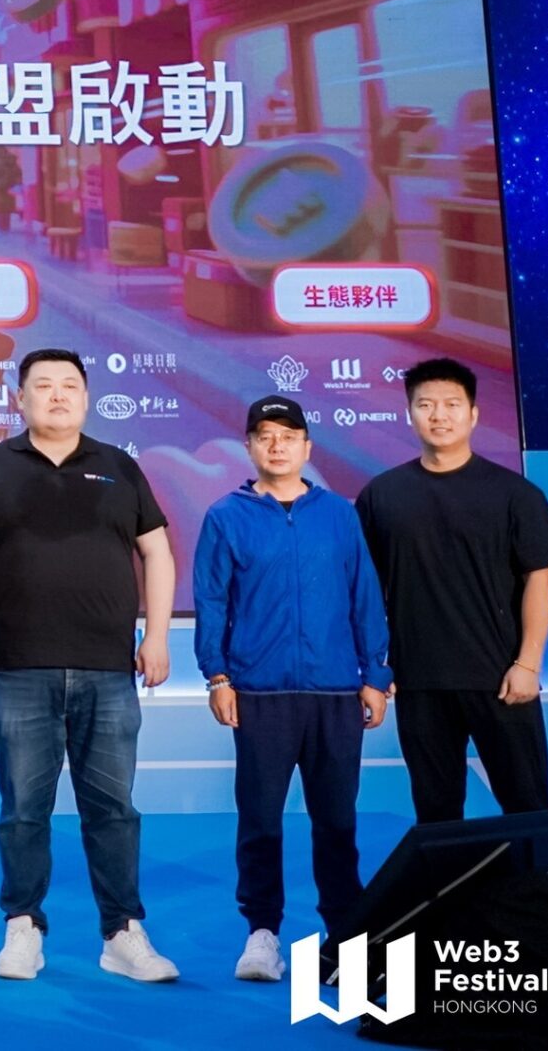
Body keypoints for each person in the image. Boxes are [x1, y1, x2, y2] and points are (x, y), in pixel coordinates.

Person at [0, 348, 180, 984]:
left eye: (69, 386)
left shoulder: (118, 465)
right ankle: (22, 926)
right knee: (22, 811)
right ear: (20, 398)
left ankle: (122, 932)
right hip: (17, 666)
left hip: (108, 668)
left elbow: (157, 553)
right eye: (43, 386)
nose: (57, 396)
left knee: (114, 810)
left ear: (85, 398)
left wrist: (157, 635)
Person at [193, 396, 390, 985]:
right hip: (260, 694)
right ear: (250, 447)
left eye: (287, 435)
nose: (276, 444)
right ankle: (262, 934)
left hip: (336, 694)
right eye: (264, 435)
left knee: (337, 822)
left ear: (307, 446)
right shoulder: (226, 516)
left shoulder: (339, 515)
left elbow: (364, 595)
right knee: (260, 820)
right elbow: (211, 601)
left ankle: (346, 937)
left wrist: (375, 676)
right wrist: (218, 676)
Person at [356, 357, 548, 823]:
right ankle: (449, 878)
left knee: (528, 807)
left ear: (473, 414)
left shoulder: (515, 494)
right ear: (409, 414)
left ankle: (532, 878)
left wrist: (528, 664)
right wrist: (374, 669)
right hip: (420, 681)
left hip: (501, 678)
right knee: (436, 813)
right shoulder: (382, 495)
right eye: (426, 405)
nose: (439, 415)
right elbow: (364, 590)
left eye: (452, 404)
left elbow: (540, 578)